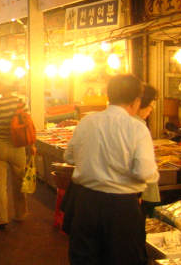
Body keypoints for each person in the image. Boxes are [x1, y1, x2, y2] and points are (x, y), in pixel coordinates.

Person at [63, 75, 158, 265]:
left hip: (86, 202)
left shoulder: (87, 122)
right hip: (122, 207)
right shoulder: (137, 129)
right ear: (136, 101)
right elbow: (144, 172)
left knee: (84, 259)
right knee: (123, 259)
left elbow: (69, 157)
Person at [0, 81, 28, 231]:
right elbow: (27, 124)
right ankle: (20, 214)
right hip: (17, 147)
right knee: (19, 182)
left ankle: (2, 218)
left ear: (1, 88)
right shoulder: (21, 103)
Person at [136, 85, 161, 216]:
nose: (151, 110)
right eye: (151, 105)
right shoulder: (137, 126)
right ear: (138, 104)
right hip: (142, 192)